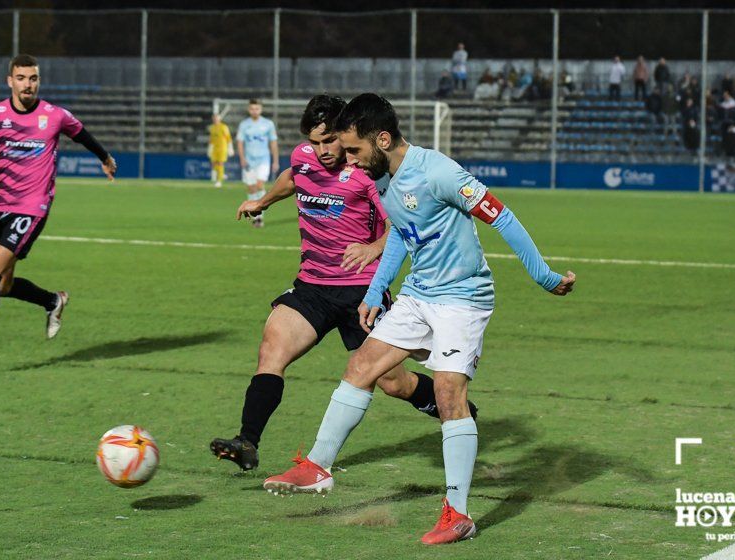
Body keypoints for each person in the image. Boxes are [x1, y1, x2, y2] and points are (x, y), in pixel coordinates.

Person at [263, 93, 575, 545]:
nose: (347, 161)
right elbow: (401, 238)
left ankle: (458, 514)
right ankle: (317, 467)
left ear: (383, 139)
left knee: (449, 393)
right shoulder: (383, 177)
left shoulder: (438, 172)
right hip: (417, 295)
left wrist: (544, 276)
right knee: (361, 366)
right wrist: (373, 292)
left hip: (462, 299)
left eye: (353, 150)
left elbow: (501, 217)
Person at [209, 95, 475, 470]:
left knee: (393, 384)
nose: (322, 151)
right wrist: (263, 201)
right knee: (272, 350)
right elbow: (292, 178)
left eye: (330, 140)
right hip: (312, 287)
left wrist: (374, 247)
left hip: (361, 293)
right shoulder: (303, 157)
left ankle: (461, 412)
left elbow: (400, 223)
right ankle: (247, 442)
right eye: (315, 142)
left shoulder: (368, 173)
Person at [0, 54, 116, 377]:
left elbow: (82, 134)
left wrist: (104, 157)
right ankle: (52, 301)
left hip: (32, 207)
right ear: (10, 80)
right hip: (1, 207)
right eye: (21, 78)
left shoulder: (54, 115)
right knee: (2, 286)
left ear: (39, 80)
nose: (28, 84)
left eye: (33, 78)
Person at [237, 99, 279, 228]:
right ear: (249, 110)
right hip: (249, 161)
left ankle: (259, 217)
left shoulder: (268, 124)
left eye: (257, 108)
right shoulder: (244, 125)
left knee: (260, 185)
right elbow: (240, 142)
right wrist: (242, 158)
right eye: (252, 108)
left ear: (261, 109)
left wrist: (275, 160)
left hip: (263, 159)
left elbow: (273, 143)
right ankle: (254, 213)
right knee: (251, 188)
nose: (254, 111)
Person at [207, 113, 232, 188]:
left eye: (217, 118)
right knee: (213, 164)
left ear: (220, 119)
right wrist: (209, 148)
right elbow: (211, 139)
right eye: (214, 118)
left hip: (222, 148)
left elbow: (228, 138)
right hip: (215, 148)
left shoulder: (224, 127)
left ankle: (219, 181)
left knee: (220, 163)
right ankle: (221, 174)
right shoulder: (212, 127)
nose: (215, 119)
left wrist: (230, 148)